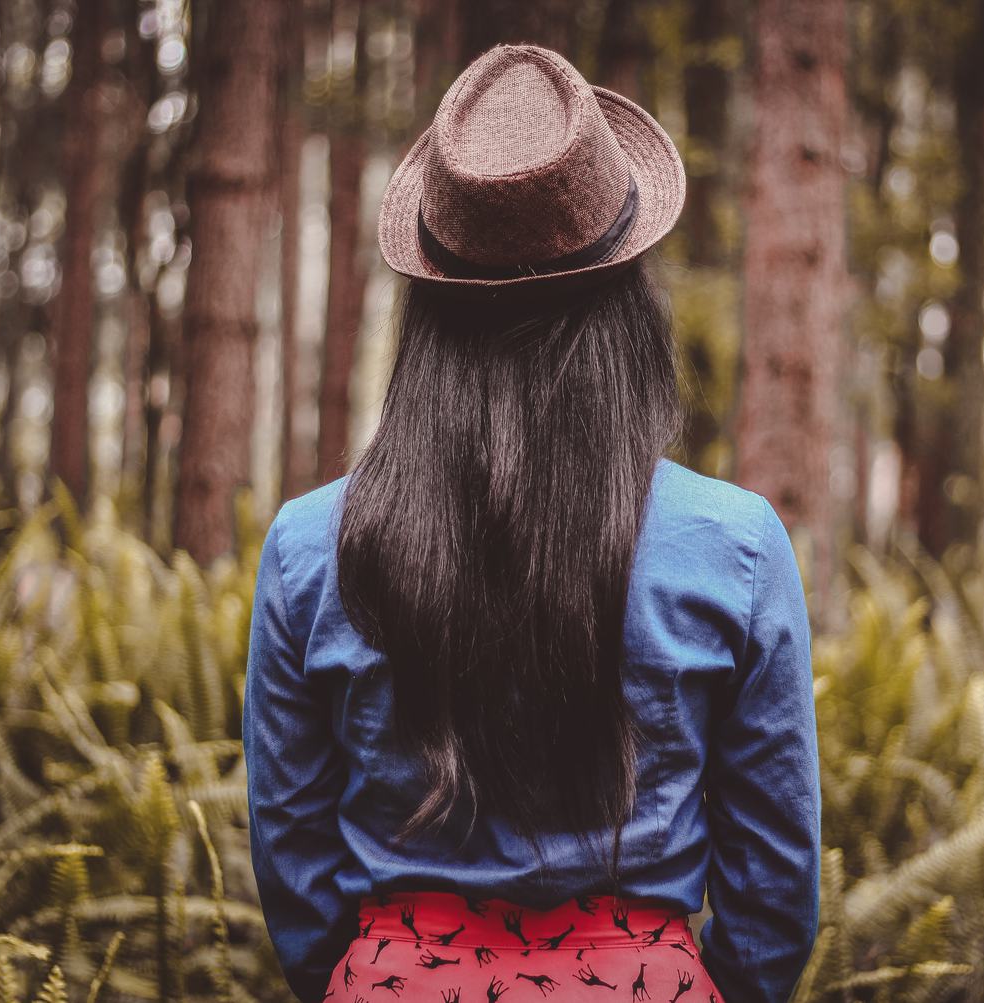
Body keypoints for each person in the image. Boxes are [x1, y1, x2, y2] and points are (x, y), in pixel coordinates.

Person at [243, 42, 820, 1003]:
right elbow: (776, 882)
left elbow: (293, 861)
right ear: (628, 299)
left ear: (427, 301)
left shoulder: (311, 547)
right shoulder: (737, 545)